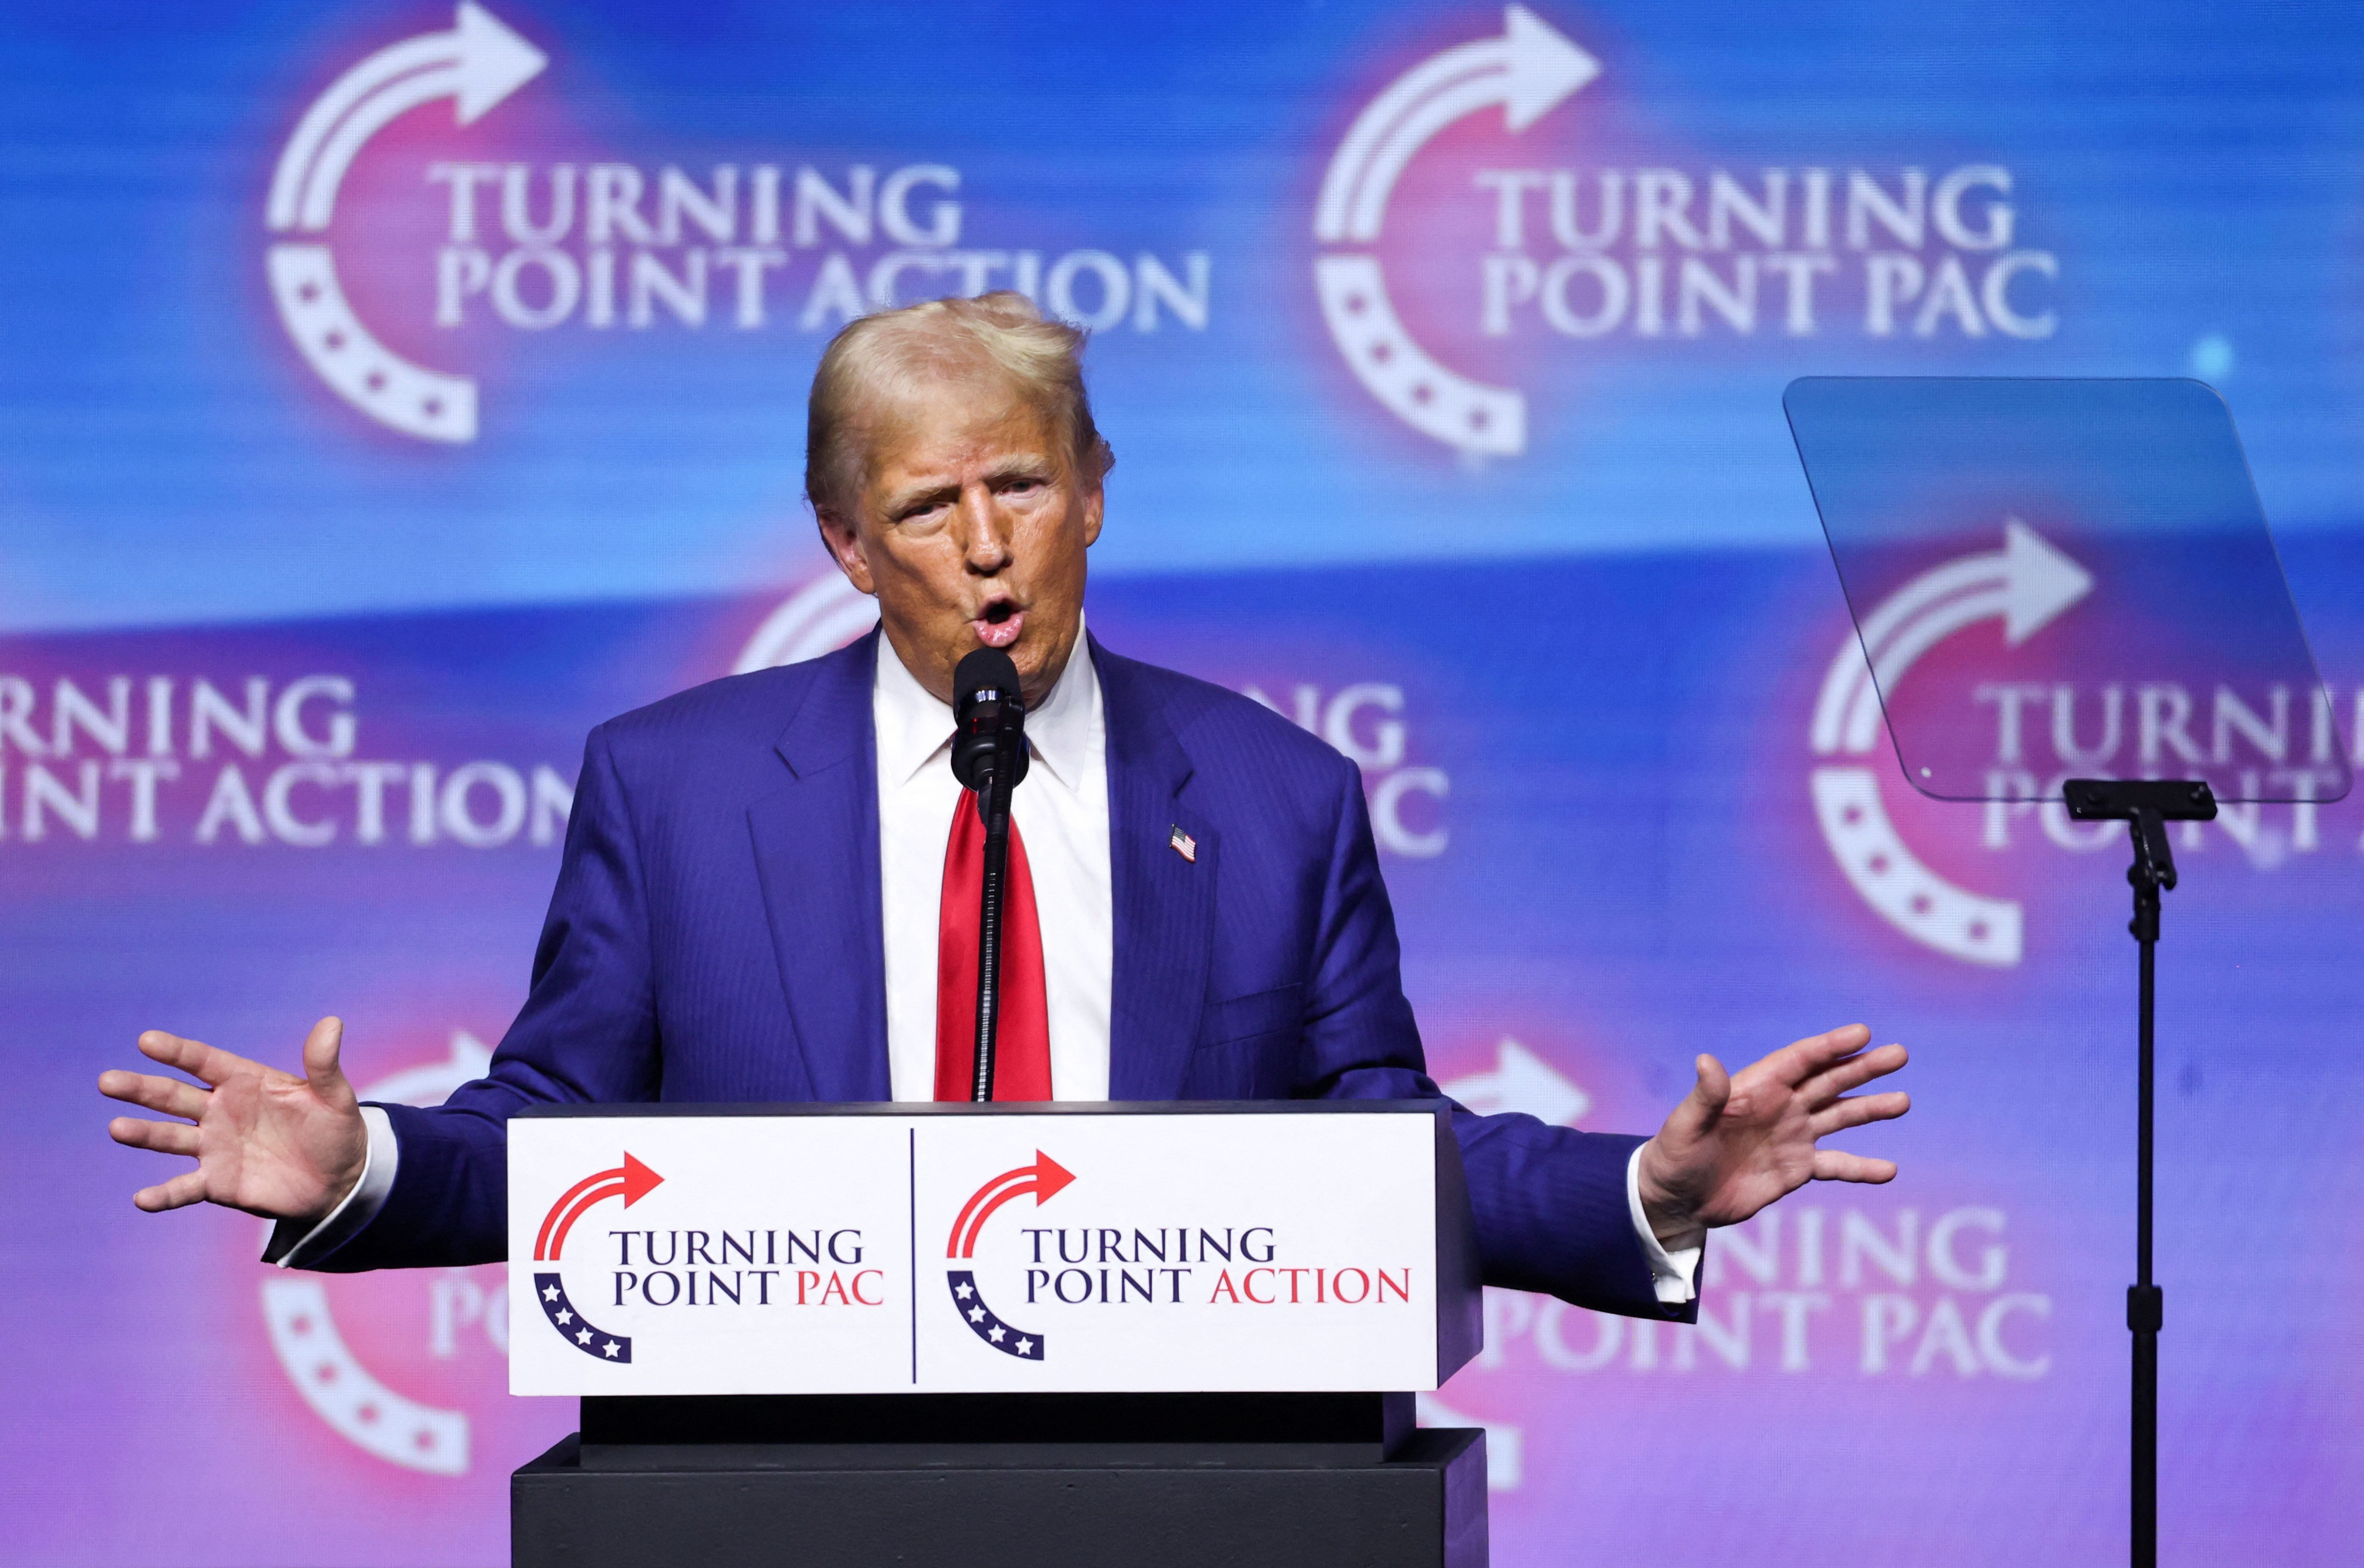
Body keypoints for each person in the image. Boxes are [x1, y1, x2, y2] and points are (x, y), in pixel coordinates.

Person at [98, 293, 1907, 1318]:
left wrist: (1639, 1192)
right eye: (926, 506)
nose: (983, 547)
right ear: (842, 545)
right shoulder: (673, 789)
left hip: (1195, 1498)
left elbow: (1372, 1141)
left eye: (1024, 485)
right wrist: (367, 1167)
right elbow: (566, 1129)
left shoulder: (1278, 797)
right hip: (782, 1506)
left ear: (1099, 494)